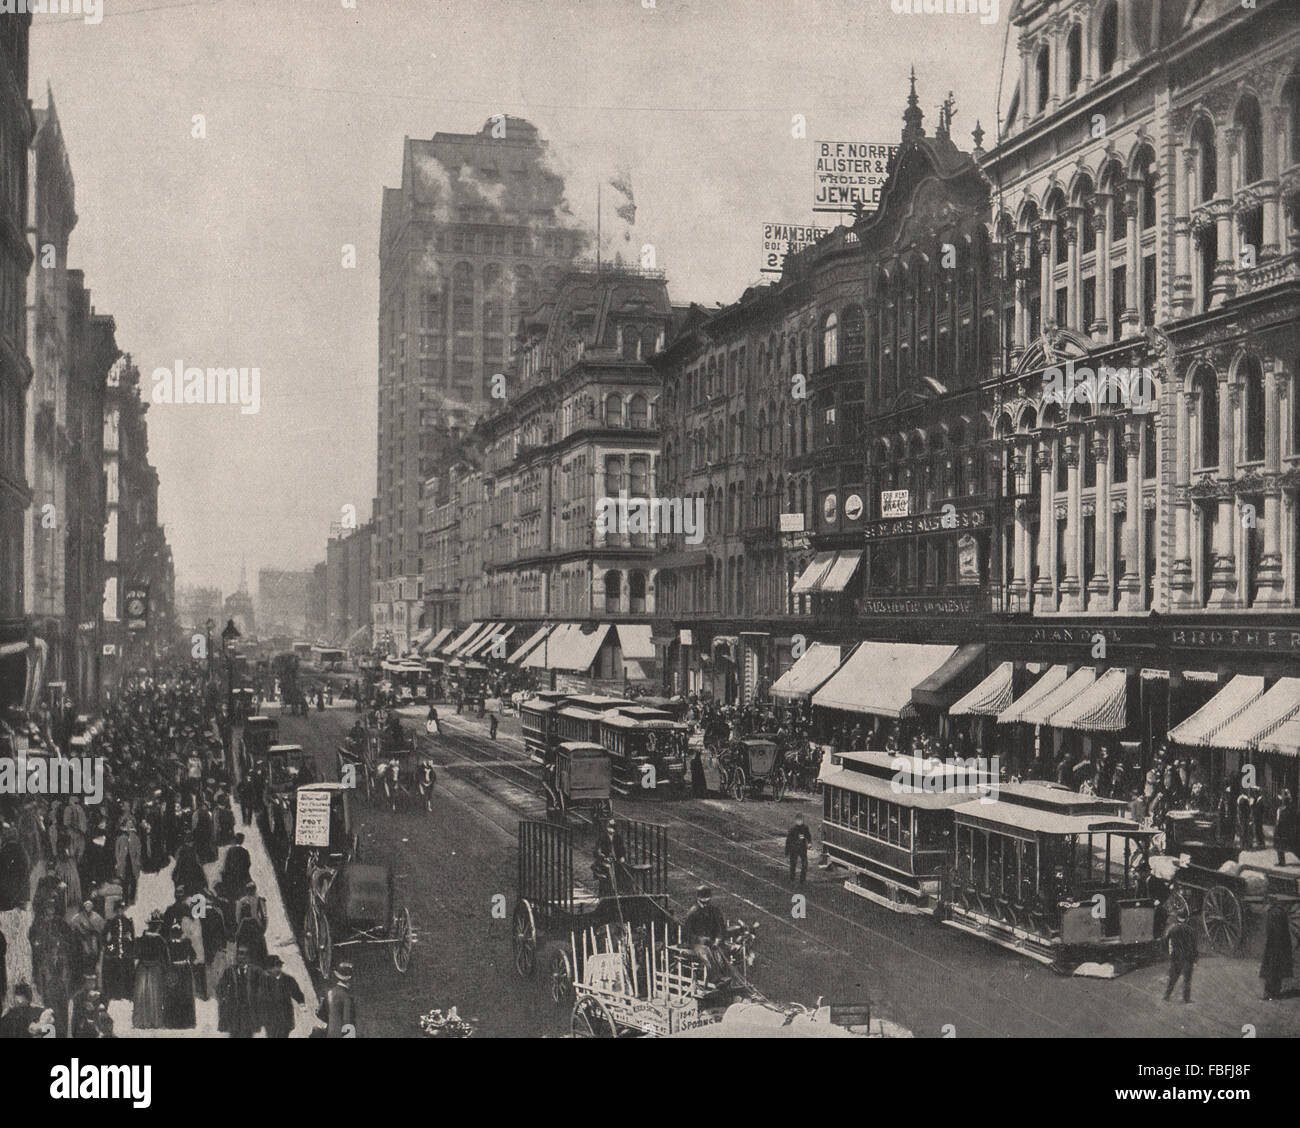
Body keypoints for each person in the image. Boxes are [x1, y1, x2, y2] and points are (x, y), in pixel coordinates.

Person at [217, 941, 266, 1038]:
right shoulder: (230, 971)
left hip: (249, 1010)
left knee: (248, 1034)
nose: (241, 957)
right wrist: (223, 998)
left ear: (249, 957)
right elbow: (220, 987)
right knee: (234, 1034)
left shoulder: (256, 971)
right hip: (234, 1010)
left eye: (244, 954)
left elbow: (264, 987)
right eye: (239, 954)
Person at [683, 886, 729, 984]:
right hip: (696, 945)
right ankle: (715, 979)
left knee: (721, 953)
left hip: (712, 942)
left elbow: (721, 928)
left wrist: (718, 940)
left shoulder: (715, 911)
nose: (705, 905)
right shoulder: (693, 912)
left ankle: (724, 977)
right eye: (702, 902)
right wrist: (700, 940)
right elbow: (687, 934)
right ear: (698, 899)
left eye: (707, 902)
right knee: (706, 953)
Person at [132, 912, 169, 1029]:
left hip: (142, 970)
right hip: (155, 970)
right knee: (155, 995)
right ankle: (155, 1021)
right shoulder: (161, 941)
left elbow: (136, 954)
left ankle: (142, 1021)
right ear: (158, 926)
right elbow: (165, 959)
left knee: (142, 995)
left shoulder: (142, 939)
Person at [100, 900, 135, 1002]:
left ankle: (127, 993)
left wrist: (130, 946)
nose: (120, 912)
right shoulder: (110, 922)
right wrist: (109, 946)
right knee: (113, 970)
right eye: (118, 910)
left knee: (126, 970)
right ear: (115, 911)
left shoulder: (128, 921)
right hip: (114, 948)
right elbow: (103, 937)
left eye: (122, 910)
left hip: (125, 948)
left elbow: (132, 937)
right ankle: (113, 993)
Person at [262, 955, 305, 1038]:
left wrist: (301, 1002)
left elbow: (296, 992)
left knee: (284, 1034)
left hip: (285, 1016)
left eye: (278, 966)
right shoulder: (264, 981)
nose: (277, 969)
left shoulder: (288, 980)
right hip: (270, 1017)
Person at [1259, 900, 1294, 1000]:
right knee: (1276, 968)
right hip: (1279, 945)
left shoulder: (1273, 913)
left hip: (1274, 945)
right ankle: (1274, 992)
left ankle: (1270, 993)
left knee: (1272, 968)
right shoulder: (1279, 912)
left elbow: (1271, 931)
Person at [1163, 916, 1198, 1003]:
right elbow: (1194, 946)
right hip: (1188, 958)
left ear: (1177, 919)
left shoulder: (1173, 930)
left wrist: (1169, 954)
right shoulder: (1191, 930)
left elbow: (1165, 941)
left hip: (1176, 957)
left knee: (1173, 978)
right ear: (1186, 920)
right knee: (1187, 980)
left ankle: (1166, 996)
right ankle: (1186, 998)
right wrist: (1195, 959)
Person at [317, 962, 357, 1037]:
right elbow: (347, 1022)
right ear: (349, 979)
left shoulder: (329, 992)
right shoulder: (347, 997)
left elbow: (320, 1013)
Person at [785, 813, 813, 886]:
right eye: (799, 820)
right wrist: (787, 851)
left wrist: (809, 843)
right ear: (796, 821)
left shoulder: (805, 828)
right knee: (793, 864)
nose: (800, 822)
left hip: (802, 849)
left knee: (804, 864)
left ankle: (802, 880)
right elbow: (788, 841)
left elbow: (808, 836)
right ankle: (792, 879)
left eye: (801, 820)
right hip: (794, 849)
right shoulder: (792, 829)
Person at [1274, 792, 1296, 866]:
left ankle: (1281, 861)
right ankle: (1281, 861)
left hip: (1281, 829)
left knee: (1280, 844)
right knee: (1285, 845)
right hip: (1286, 829)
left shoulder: (1281, 809)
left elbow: (1279, 820)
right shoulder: (1291, 809)